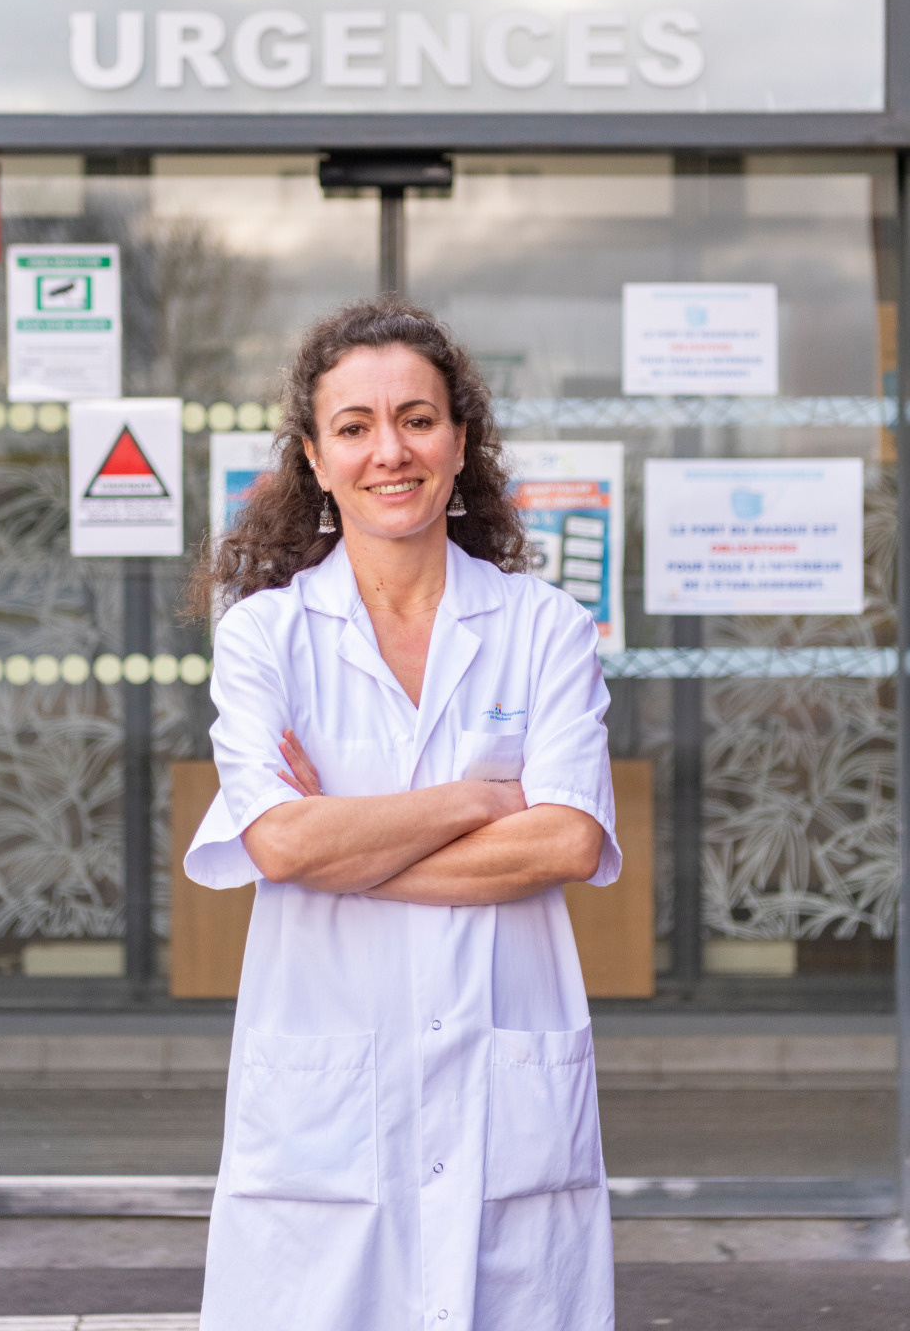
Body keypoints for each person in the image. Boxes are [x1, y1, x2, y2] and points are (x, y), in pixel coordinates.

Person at [183, 298, 621, 1331]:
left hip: (500, 1093)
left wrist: (342, 838)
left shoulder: (542, 627)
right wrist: (478, 800)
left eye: (418, 419)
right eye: (354, 426)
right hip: (325, 1118)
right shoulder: (267, 638)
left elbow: (562, 838)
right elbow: (277, 840)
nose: (391, 449)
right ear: (315, 456)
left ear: (461, 442)